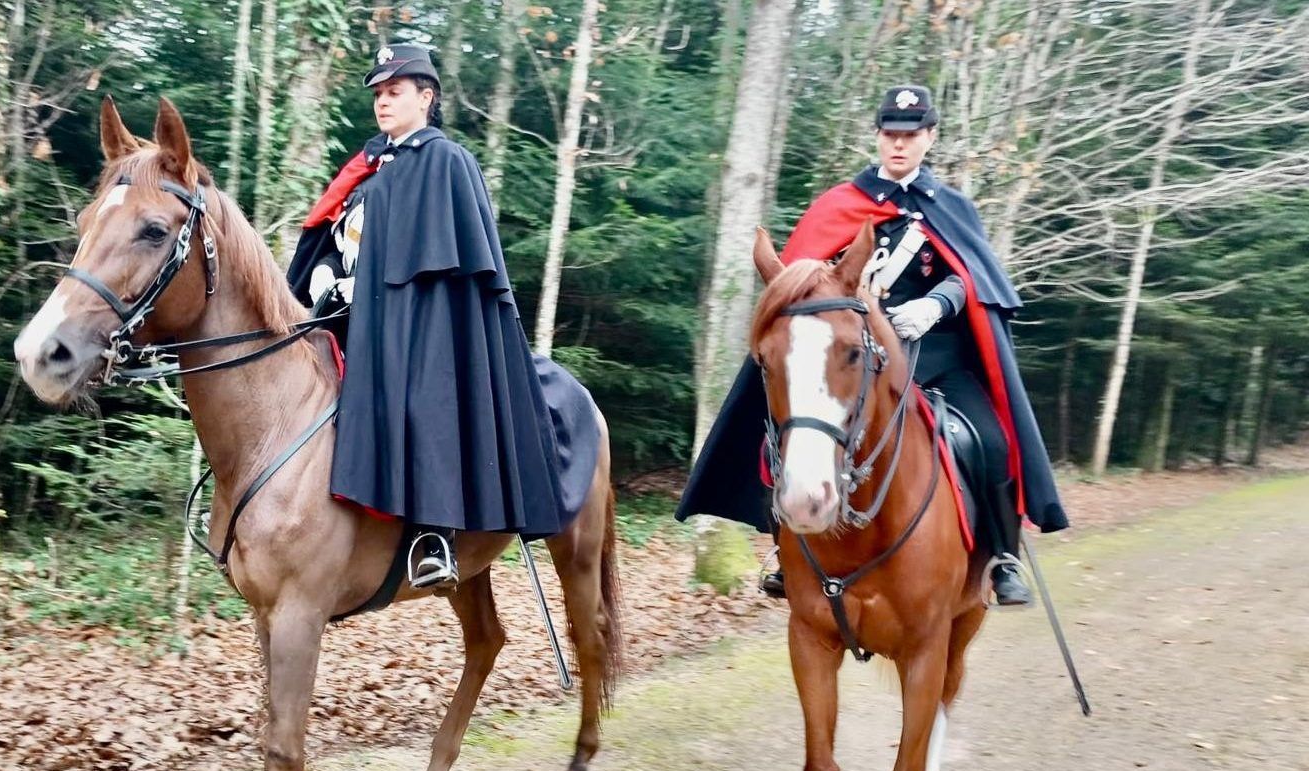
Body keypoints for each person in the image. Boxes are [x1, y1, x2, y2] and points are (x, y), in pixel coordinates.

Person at [677, 84, 1069, 606]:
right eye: (890, 134)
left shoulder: (951, 207)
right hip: (852, 359)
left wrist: (937, 305)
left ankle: (1001, 556)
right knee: (783, 433)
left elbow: (972, 278)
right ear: (878, 137)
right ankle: (786, 550)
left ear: (930, 137)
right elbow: (804, 279)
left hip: (936, 356)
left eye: (911, 135)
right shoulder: (839, 205)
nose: (899, 144)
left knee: (991, 443)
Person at [285, 44, 598, 591]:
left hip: (422, 328)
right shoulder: (365, 171)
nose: (383, 102)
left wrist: (375, 285)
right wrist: (325, 274)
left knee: (419, 399)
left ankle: (434, 534)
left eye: (395, 92)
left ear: (426, 98)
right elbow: (335, 241)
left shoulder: (446, 162)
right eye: (378, 94)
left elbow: (451, 262)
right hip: (351, 322)